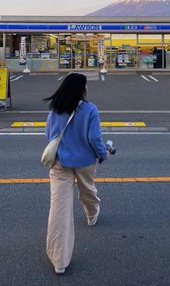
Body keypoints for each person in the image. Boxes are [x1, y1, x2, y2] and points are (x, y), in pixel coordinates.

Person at [43, 73, 109, 275]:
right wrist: (103, 153)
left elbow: (49, 134)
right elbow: (94, 138)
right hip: (85, 162)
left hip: (60, 162)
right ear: (82, 88)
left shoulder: (56, 109)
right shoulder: (90, 109)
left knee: (59, 207)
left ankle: (59, 260)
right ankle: (92, 213)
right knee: (87, 189)